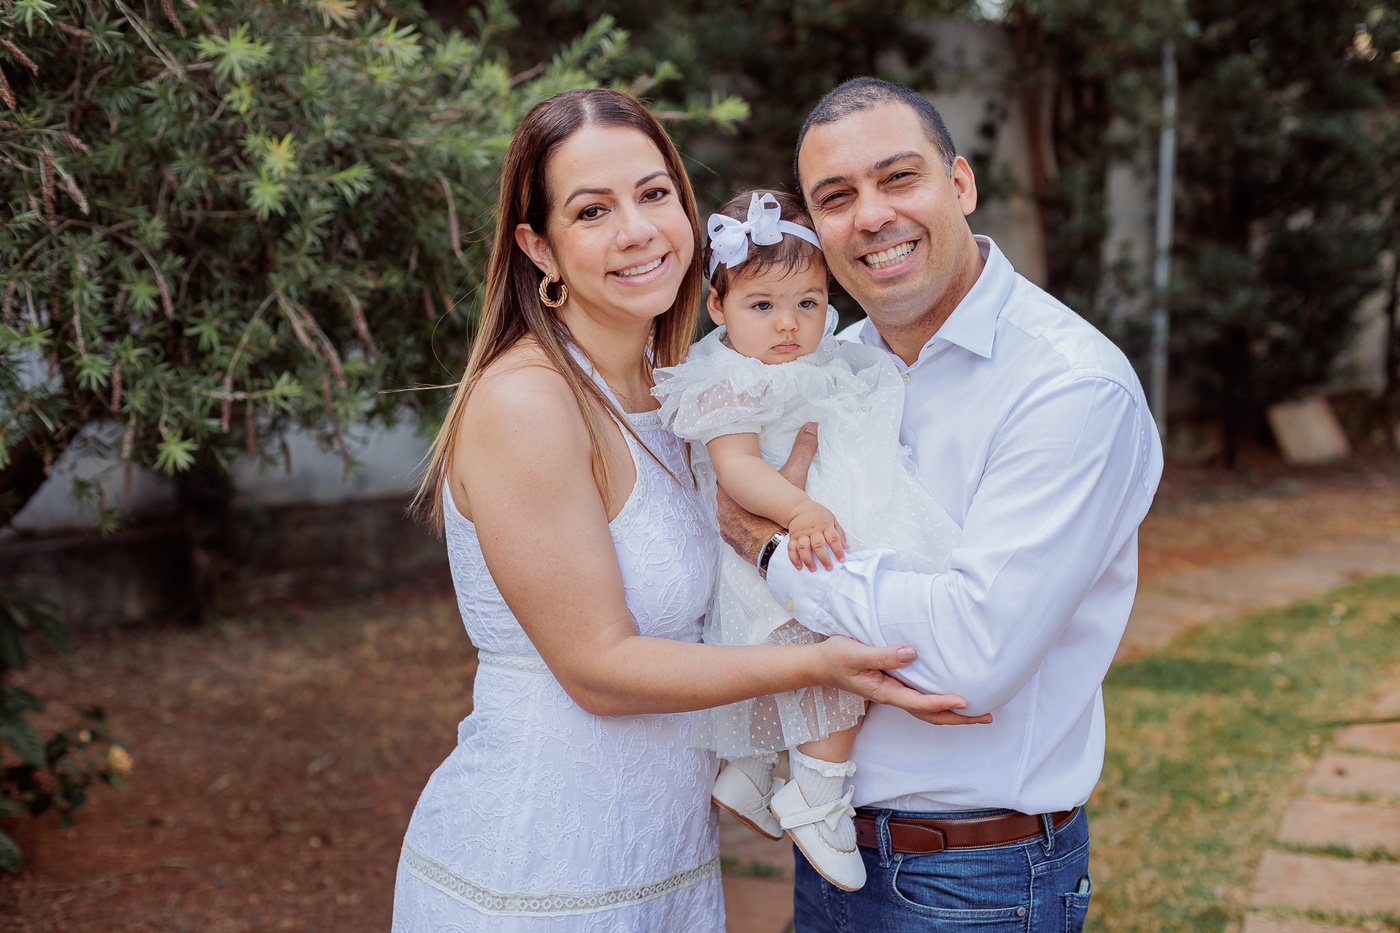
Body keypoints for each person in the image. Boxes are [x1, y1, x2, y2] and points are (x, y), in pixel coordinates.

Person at [390, 87, 981, 933]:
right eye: (592, 210)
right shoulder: (529, 401)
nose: (637, 229)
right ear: (538, 247)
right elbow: (599, 668)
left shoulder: (679, 389)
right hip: (538, 874)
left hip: (666, 863)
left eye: (654, 193)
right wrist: (818, 666)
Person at [717, 78, 1165, 931]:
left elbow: (970, 652)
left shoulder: (1070, 387)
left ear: (960, 184)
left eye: (898, 178)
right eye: (836, 198)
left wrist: (772, 553)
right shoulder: (828, 362)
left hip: (976, 879)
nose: (871, 216)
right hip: (827, 852)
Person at [651, 188, 961, 894]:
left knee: (833, 637)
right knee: (835, 655)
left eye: (808, 303)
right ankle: (818, 790)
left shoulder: (823, 360)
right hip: (779, 534)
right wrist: (800, 510)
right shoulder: (726, 377)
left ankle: (753, 772)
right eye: (762, 305)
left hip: (810, 526)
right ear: (718, 306)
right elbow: (737, 468)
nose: (788, 324)